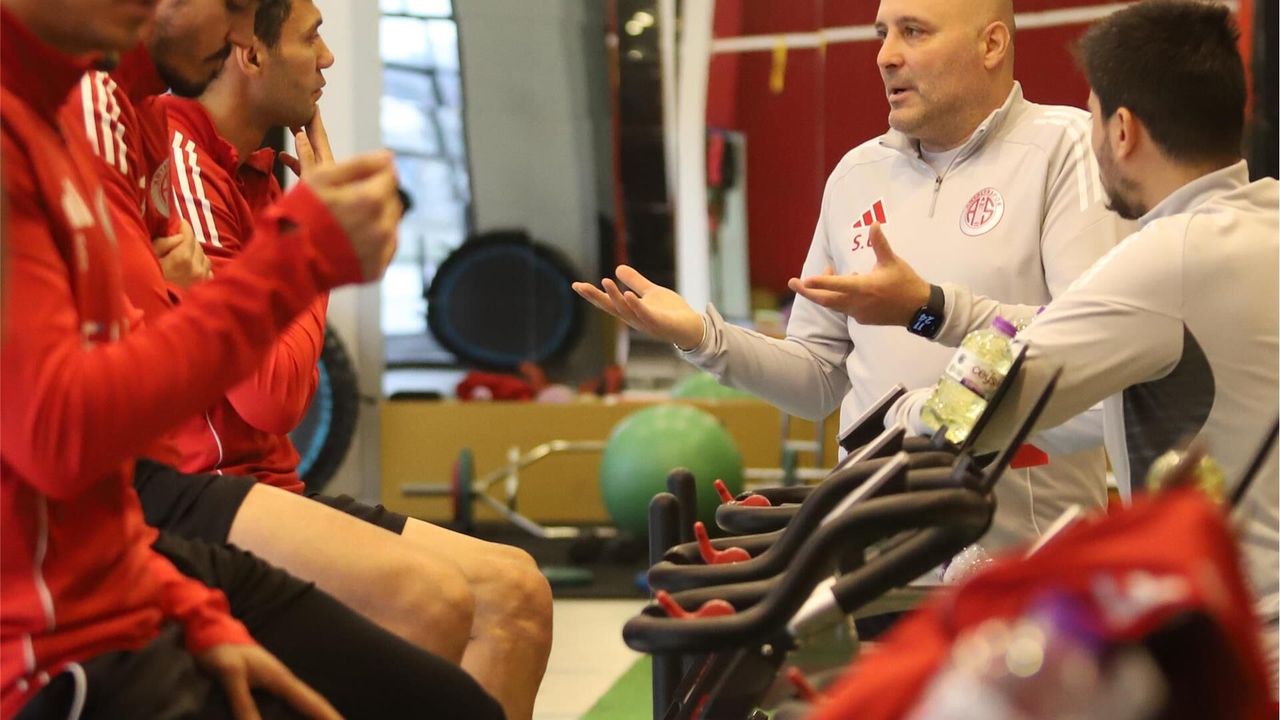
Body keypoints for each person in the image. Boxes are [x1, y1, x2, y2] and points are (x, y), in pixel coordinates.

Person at [0, 0, 505, 717]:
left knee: (477, 655)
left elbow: (104, 453)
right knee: (431, 607)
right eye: (234, 6)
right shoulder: (88, 123)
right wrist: (302, 262)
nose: (240, 30)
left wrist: (189, 608)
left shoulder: (78, 116)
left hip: (130, 569)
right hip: (66, 647)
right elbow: (75, 432)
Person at [575, 0, 1130, 552]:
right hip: (870, 552)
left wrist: (928, 308)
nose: (886, 56)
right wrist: (702, 337)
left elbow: (1091, 348)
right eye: (883, 33)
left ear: (991, 45)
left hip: (1023, 563)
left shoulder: (1067, 146)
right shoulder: (856, 175)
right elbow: (817, 378)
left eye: (914, 32)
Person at [883, 0, 1279, 679]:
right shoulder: (1261, 224)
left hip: (1244, 649)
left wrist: (902, 415)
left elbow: (989, 393)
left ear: (1122, 131)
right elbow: (1138, 405)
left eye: (1093, 117)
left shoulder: (1169, 256)